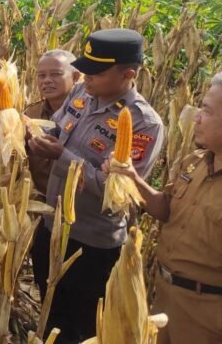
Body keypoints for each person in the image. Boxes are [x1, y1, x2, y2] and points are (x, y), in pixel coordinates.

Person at [28, 28, 165, 344]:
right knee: (51, 317)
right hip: (53, 226)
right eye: (85, 68)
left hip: (92, 243)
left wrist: (61, 156)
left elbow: (116, 190)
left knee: (86, 329)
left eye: (97, 71)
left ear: (128, 75)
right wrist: (37, 138)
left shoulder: (144, 123)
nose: (86, 76)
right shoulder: (81, 93)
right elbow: (56, 128)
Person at [104, 73, 222, 344]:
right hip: (163, 296)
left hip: (208, 312)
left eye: (206, 111)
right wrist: (132, 178)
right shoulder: (194, 163)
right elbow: (166, 209)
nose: (196, 118)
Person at [25, 49, 80, 195]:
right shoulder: (30, 113)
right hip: (38, 199)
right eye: (41, 75)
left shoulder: (88, 115)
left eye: (55, 74)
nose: (47, 80)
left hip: (76, 201)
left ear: (75, 77)